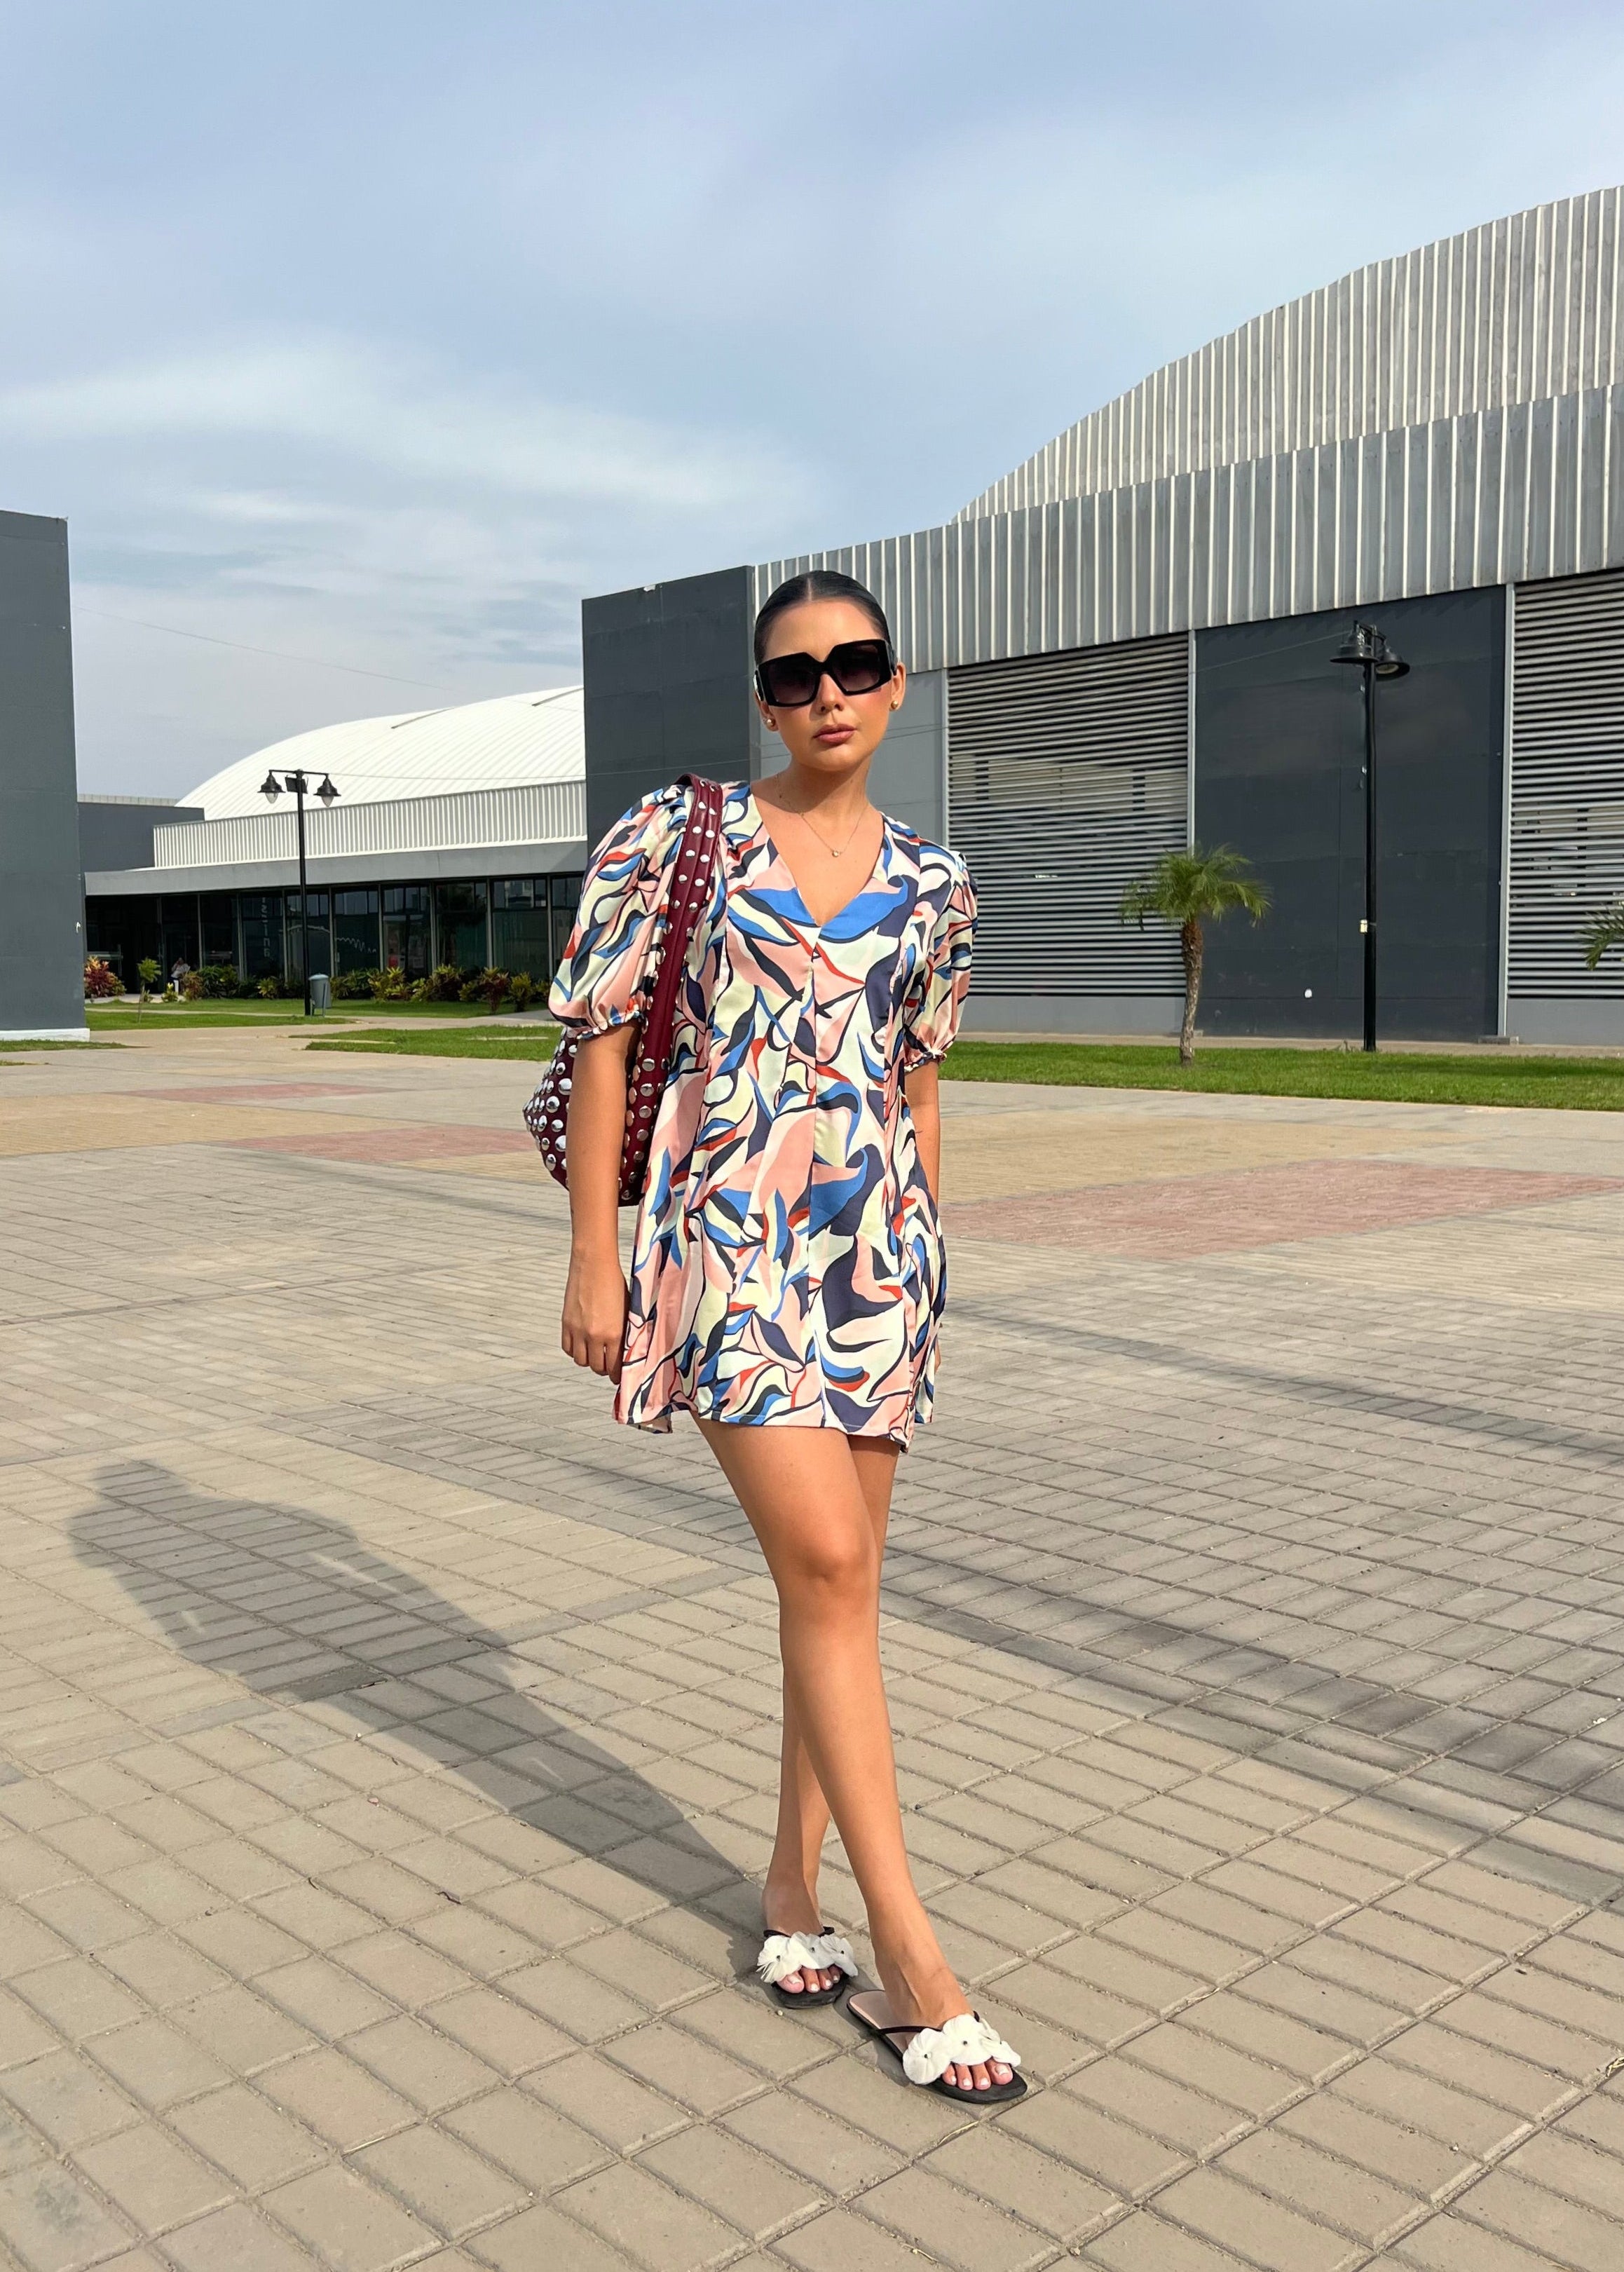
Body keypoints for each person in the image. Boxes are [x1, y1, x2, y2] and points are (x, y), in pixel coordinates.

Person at [553, 569, 1022, 2102]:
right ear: (764, 701)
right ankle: (914, 1958)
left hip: (876, 1255)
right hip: (726, 1246)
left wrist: (928, 1257)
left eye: (855, 664)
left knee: (842, 1593)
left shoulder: (937, 881)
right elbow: (603, 1042)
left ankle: (787, 1891)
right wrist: (597, 1261)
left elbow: (919, 1078)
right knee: (824, 1565)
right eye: (795, 674)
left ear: (897, 685)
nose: (828, 692)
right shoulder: (676, 835)